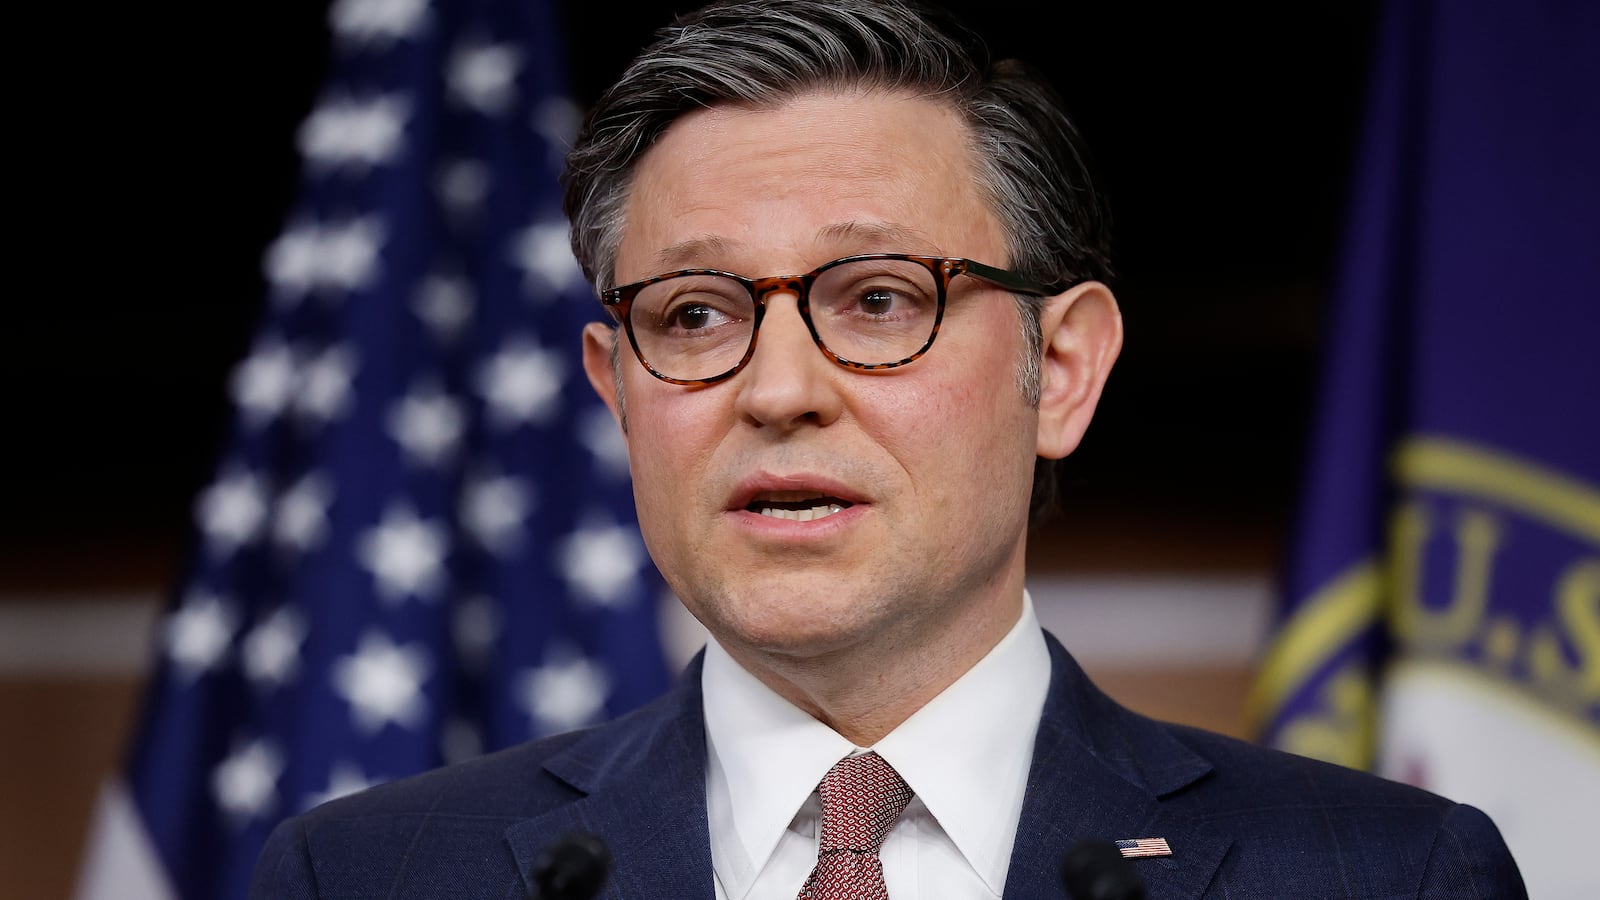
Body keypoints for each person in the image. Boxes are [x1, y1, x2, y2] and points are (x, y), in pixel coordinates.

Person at [250, 1, 1527, 897]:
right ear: (616, 391)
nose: (779, 391)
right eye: (695, 316)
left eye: (877, 299)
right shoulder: (371, 876)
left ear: (1062, 370)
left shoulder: (1382, 875)